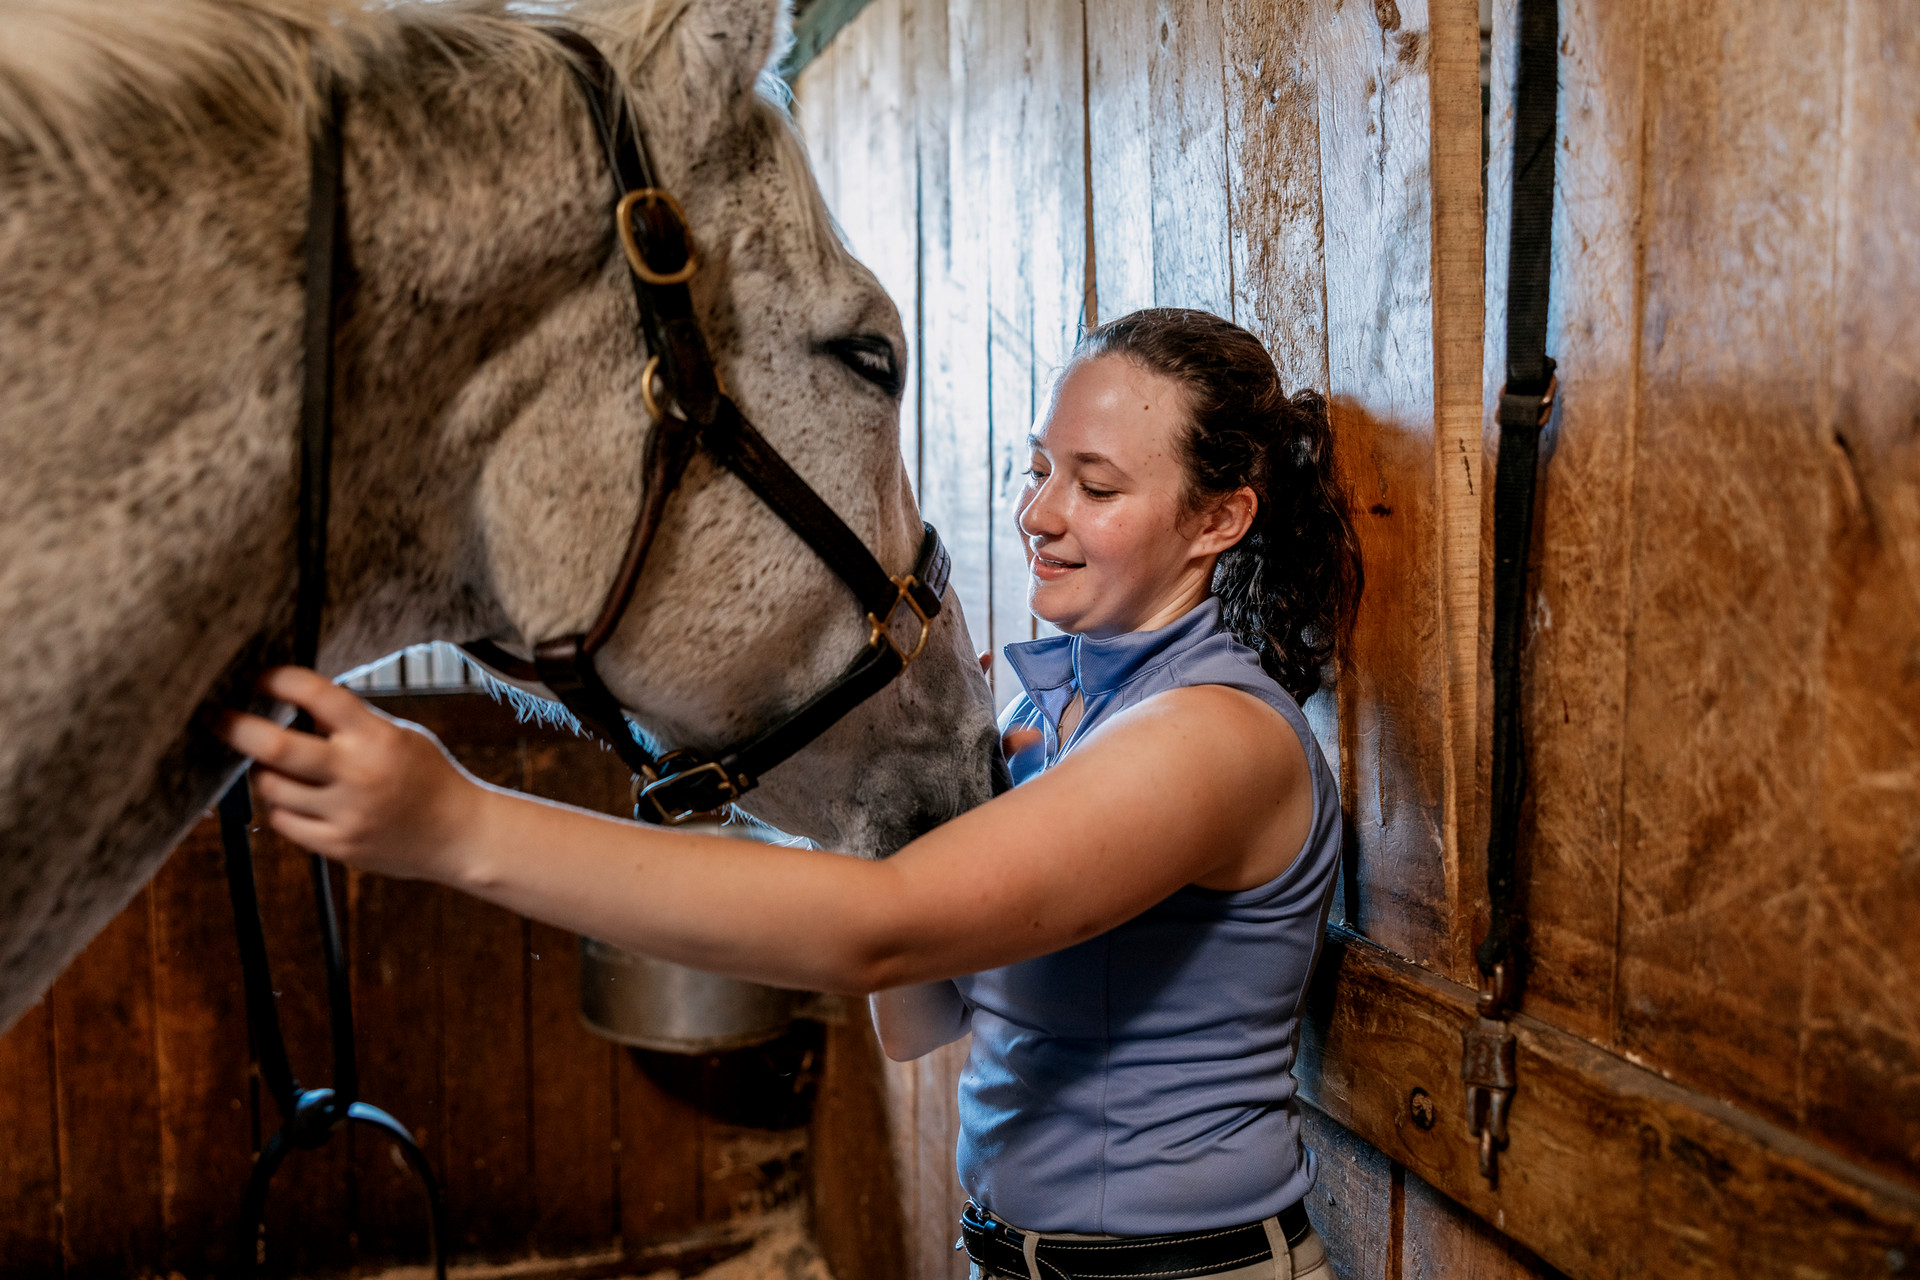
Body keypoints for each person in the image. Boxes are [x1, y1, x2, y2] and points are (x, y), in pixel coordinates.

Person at [216, 307, 1363, 1280]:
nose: (1039, 513)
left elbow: (878, 936)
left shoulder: (1213, 738)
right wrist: (887, 780)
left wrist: (457, 822)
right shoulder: (1048, 719)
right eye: (1038, 467)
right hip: (1011, 1254)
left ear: (1221, 518)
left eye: (1096, 485)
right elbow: (920, 1021)